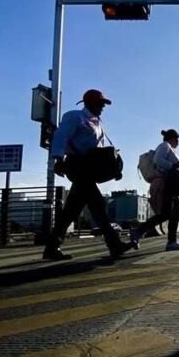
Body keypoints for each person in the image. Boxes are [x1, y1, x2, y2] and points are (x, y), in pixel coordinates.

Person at [44, 89, 135, 261]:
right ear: (89, 103)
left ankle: (52, 246)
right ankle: (114, 245)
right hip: (77, 165)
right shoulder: (75, 117)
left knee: (72, 210)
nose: (102, 107)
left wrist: (112, 168)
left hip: (89, 169)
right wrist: (58, 159)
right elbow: (61, 136)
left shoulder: (98, 123)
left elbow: (99, 150)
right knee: (97, 205)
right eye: (100, 103)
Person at [131, 129, 179, 251]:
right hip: (167, 184)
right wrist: (173, 166)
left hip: (170, 184)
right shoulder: (165, 146)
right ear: (171, 138)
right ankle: (139, 231)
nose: (178, 142)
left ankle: (171, 241)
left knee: (175, 212)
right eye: (177, 139)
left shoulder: (167, 147)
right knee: (166, 213)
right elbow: (158, 160)